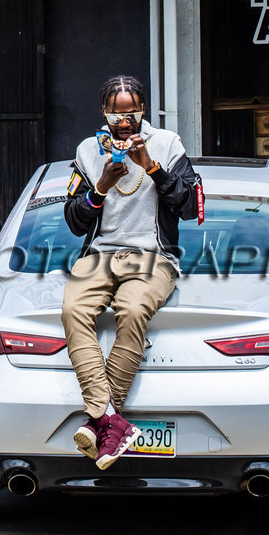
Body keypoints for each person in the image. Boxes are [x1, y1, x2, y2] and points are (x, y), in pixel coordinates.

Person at [61, 75, 202, 468]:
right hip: (99, 256)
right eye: (117, 115)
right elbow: (74, 221)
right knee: (73, 310)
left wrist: (153, 168)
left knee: (133, 310)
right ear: (103, 113)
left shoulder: (168, 144)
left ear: (144, 110)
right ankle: (109, 420)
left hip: (153, 257)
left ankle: (99, 420)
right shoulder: (88, 151)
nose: (125, 123)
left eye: (133, 114)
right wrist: (100, 187)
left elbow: (189, 207)